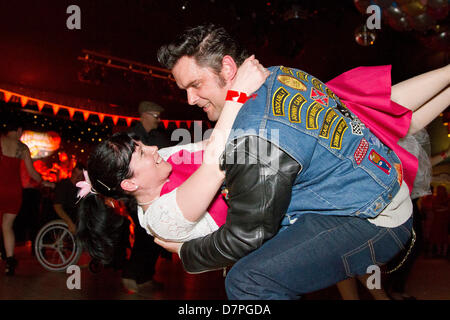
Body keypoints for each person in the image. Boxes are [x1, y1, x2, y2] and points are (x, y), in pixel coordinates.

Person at [154, 24, 450, 299]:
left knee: (248, 280)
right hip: (379, 191)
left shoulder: (255, 136)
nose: (190, 99)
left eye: (195, 84)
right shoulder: (279, 74)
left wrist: (187, 252)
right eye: (185, 90)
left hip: (374, 221)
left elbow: (248, 235)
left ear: (228, 68)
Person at [75, 56, 268, 265]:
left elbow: (213, 143)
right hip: (263, 239)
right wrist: (237, 93)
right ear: (130, 184)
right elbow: (215, 165)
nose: (154, 148)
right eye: (141, 153)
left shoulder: (163, 161)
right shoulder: (159, 218)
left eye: (143, 145)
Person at [119, 101, 173, 294]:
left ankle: (143, 276)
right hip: (137, 197)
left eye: (160, 116)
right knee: (145, 237)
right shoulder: (129, 138)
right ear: (143, 115)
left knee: (153, 238)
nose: (159, 120)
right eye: (155, 116)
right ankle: (133, 275)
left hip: (158, 195)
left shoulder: (159, 136)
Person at [0, 115, 52, 275]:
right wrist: (43, 181)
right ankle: (9, 262)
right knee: (7, 226)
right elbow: (32, 173)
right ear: (19, 130)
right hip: (14, 190)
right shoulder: (22, 148)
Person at [53, 163, 85, 234]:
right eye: (75, 174)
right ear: (72, 173)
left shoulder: (81, 188)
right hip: (60, 221)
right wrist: (70, 223)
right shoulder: (64, 185)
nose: (76, 178)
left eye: (80, 176)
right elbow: (57, 206)